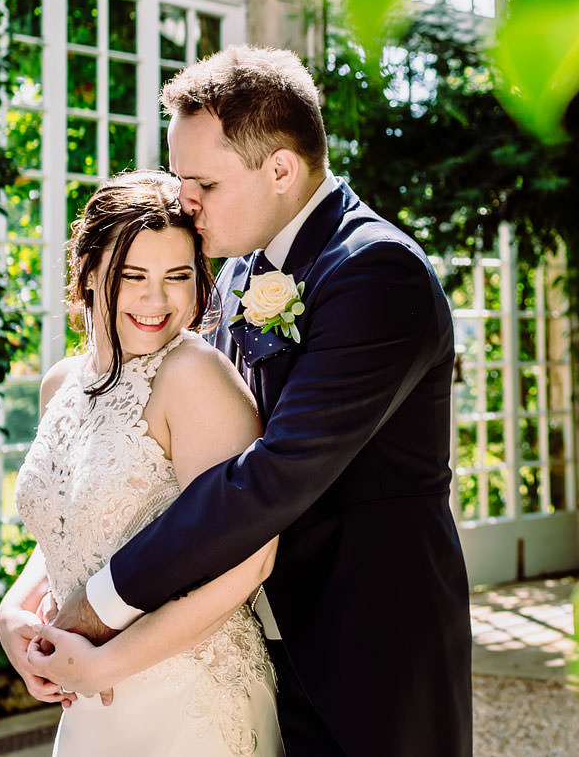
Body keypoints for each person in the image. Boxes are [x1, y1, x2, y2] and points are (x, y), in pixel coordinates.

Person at [33, 46, 472, 757]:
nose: (184, 202)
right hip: (238, 647)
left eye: (202, 181)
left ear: (280, 169)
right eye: (180, 179)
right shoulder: (240, 267)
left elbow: (274, 474)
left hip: (366, 646)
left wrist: (105, 599)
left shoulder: (375, 272)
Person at [0, 170, 282, 756]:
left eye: (177, 277)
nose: (157, 301)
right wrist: (14, 611)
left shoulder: (196, 377)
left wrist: (108, 667)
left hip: (189, 698)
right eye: (133, 277)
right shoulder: (62, 385)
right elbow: (73, 524)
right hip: (89, 703)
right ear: (92, 274)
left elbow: (248, 563)